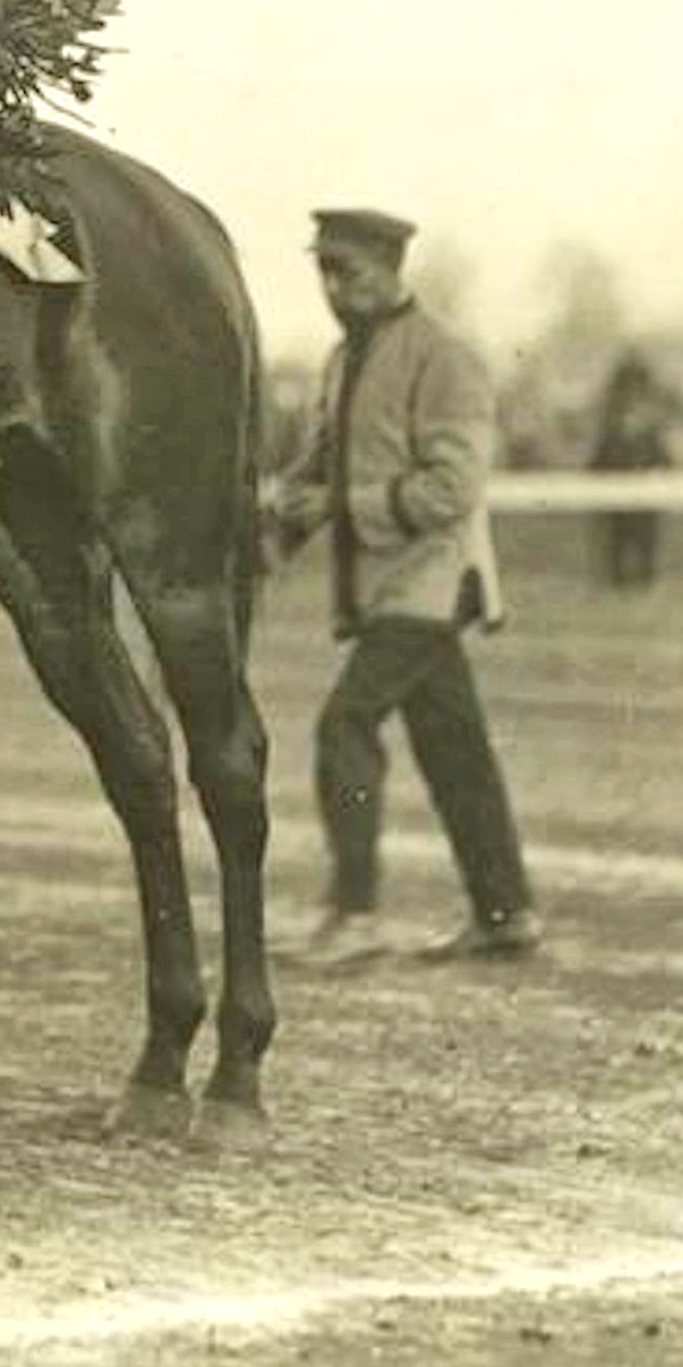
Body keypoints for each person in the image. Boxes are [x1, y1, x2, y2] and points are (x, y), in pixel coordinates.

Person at [266, 209, 540, 968]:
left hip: (431, 583)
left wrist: (337, 507)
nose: (331, 287)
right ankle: (506, 912)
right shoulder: (338, 360)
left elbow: (451, 490)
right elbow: (321, 464)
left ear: (391, 269)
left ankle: (355, 917)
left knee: (344, 727)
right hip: (385, 589)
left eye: (345, 271)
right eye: (321, 270)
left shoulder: (446, 358)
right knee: (454, 748)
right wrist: (278, 518)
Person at [588, 348, 671, 589]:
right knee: (619, 540)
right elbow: (597, 463)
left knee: (645, 540)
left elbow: (665, 459)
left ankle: (644, 578)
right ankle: (620, 579)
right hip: (618, 494)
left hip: (646, 496)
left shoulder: (650, 430)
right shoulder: (611, 430)